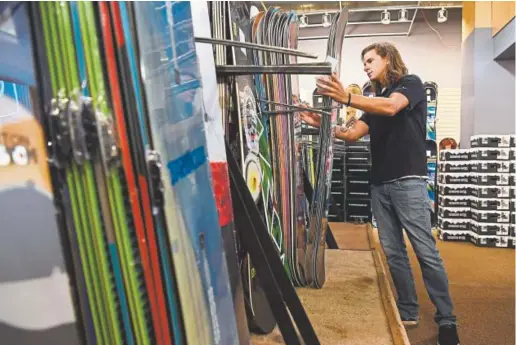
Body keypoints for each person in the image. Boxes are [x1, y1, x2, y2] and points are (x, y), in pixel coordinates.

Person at [300, 42, 460, 345]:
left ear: (388, 59)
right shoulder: (374, 99)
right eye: (363, 62)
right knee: (393, 251)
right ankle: (408, 308)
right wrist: (319, 122)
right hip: (380, 185)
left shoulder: (409, 85)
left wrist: (347, 97)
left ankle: (447, 319)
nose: (365, 66)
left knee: (425, 251)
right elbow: (351, 134)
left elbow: (392, 107)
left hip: (408, 181)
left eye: (370, 60)